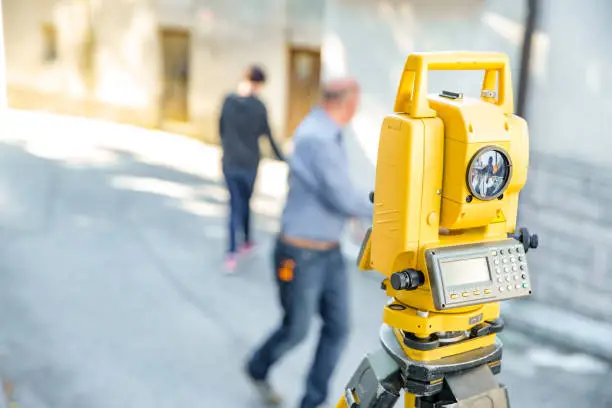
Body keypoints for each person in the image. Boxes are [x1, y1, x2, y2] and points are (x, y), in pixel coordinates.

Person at [245, 78, 372, 408]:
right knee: (297, 329)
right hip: (300, 254)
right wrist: (389, 208)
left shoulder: (326, 131)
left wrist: (355, 218)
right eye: (356, 102)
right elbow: (342, 196)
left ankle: (312, 402)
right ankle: (257, 366)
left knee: (339, 327)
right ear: (347, 103)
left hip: (328, 252)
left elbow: (331, 193)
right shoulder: (318, 138)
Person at [218, 64, 285, 272]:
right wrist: (283, 158)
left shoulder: (228, 102)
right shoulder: (259, 106)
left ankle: (238, 248)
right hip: (249, 164)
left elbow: (220, 129)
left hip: (230, 162)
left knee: (236, 205)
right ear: (259, 84)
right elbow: (268, 135)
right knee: (244, 202)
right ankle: (237, 248)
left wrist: (228, 148)